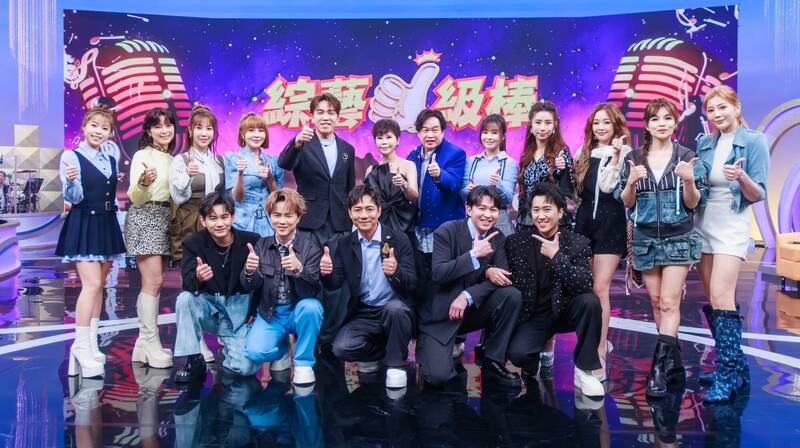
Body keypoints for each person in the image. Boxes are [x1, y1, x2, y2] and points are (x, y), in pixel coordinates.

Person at [616, 98, 708, 397]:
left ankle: (657, 370)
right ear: (646, 124)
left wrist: (689, 181)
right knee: (656, 303)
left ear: (675, 122)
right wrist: (631, 182)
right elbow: (627, 202)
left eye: (667, 118)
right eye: (655, 119)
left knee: (669, 303)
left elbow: (693, 203)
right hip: (645, 241)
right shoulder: (634, 158)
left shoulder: (686, 156)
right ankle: (675, 364)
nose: (662, 124)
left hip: (678, 238)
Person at [695, 85, 770, 402]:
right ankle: (735, 365)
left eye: (722, 107)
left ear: (736, 107)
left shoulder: (754, 141)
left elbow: (758, 193)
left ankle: (726, 376)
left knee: (721, 295)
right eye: (711, 110)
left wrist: (741, 177)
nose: (716, 115)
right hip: (703, 224)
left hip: (732, 225)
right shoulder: (704, 143)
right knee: (714, 300)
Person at [504, 182, 604, 398]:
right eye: (536, 210)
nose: (541, 216)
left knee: (590, 302)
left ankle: (585, 371)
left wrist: (557, 257)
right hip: (533, 316)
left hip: (565, 310)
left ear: (560, 212)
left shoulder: (577, 242)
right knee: (518, 354)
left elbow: (584, 283)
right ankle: (533, 361)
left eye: (547, 209)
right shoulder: (516, 243)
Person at [416, 186, 522, 387]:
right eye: (482, 208)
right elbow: (439, 273)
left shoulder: (497, 236)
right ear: (468, 209)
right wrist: (473, 256)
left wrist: (467, 295)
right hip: (443, 314)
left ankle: (493, 359)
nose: (487, 215)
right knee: (438, 378)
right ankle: (434, 346)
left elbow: (503, 276)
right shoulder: (447, 231)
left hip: (470, 310)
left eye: (493, 210)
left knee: (511, 295)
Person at [320, 184, 417, 391]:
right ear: (349, 213)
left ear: (379, 210)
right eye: (357, 209)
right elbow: (334, 283)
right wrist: (326, 273)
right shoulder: (344, 244)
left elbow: (413, 284)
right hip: (363, 312)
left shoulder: (399, 239)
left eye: (369, 209)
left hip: (393, 308)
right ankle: (381, 352)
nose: (364, 215)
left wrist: (396, 272)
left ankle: (396, 363)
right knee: (341, 348)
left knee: (396, 310)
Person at [278, 92, 356, 347]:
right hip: (310, 224)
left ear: (338, 117)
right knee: (307, 279)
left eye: (331, 113)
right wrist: (296, 143)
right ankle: (306, 337)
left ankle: (329, 339)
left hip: (339, 225)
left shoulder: (347, 149)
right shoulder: (303, 143)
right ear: (312, 116)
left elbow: (348, 189)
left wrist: (350, 220)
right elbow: (284, 162)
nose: (325, 117)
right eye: (320, 112)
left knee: (336, 283)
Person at [56, 104, 126, 377]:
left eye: (105, 128)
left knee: (101, 287)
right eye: (94, 125)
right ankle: (80, 346)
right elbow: (74, 198)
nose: (99, 131)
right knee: (92, 284)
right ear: (84, 127)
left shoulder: (110, 157)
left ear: (110, 133)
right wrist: (72, 182)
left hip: (106, 223)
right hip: (85, 221)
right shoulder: (71, 156)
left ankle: (91, 344)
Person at [173, 191, 261, 382]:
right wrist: (198, 277)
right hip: (209, 309)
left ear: (233, 217)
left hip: (238, 314)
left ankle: (231, 352)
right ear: (203, 221)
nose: (220, 223)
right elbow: (187, 283)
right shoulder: (193, 243)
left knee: (246, 368)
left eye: (224, 217)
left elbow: (261, 284)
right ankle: (193, 359)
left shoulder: (252, 241)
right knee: (185, 299)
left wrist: (253, 308)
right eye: (213, 218)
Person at [572, 102, 632, 380]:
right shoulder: (583, 152)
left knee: (600, 288)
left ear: (616, 125)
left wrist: (617, 156)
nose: (600, 127)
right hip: (584, 224)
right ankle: (591, 343)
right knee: (586, 287)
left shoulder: (626, 153)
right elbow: (576, 192)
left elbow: (610, 188)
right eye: (596, 122)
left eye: (606, 122)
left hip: (611, 223)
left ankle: (599, 351)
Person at [242, 188, 324, 386]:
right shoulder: (261, 245)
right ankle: (283, 347)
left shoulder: (311, 247)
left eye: (288, 215)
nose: (282, 221)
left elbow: (316, 287)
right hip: (271, 314)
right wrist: (249, 271)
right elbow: (250, 285)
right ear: (270, 216)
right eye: (277, 215)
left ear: (298, 217)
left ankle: (303, 363)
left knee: (312, 308)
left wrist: (299, 270)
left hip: (298, 311)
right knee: (254, 352)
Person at [516, 100, 575, 369]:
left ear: (555, 126)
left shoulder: (561, 153)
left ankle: (548, 344)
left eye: (547, 123)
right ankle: (530, 341)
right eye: (538, 122)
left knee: (550, 284)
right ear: (531, 125)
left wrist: (562, 171)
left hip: (551, 227)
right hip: (525, 225)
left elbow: (568, 193)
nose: (542, 127)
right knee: (529, 283)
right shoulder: (527, 154)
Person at [406, 109, 467, 355]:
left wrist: (440, 175)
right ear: (418, 132)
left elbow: (454, 185)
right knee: (424, 280)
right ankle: (426, 334)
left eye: (435, 130)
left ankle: (455, 338)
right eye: (425, 130)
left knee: (448, 280)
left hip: (445, 229)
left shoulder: (455, 153)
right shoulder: (412, 155)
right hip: (420, 228)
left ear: (443, 131)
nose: (430, 135)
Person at [125, 107, 178, 369]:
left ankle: (142, 344)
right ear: (148, 131)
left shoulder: (173, 159)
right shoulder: (142, 155)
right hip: (146, 216)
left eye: (168, 125)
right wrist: (145, 181)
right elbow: (134, 196)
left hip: (166, 219)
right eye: (158, 126)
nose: (164, 130)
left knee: (156, 282)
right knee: (153, 281)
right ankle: (149, 340)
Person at [170, 105, 225, 262]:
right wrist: (188, 175)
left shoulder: (218, 160)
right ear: (190, 130)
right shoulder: (181, 160)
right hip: (190, 223)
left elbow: (223, 195)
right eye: (199, 128)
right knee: (191, 269)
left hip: (214, 223)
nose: (204, 133)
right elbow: (177, 197)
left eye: (209, 128)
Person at [225, 112, 283, 236]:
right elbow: (236, 197)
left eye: (261, 131)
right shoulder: (233, 158)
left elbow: (279, 198)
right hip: (243, 224)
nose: (257, 135)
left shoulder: (273, 161)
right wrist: (240, 174)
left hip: (270, 224)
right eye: (251, 130)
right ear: (242, 134)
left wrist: (270, 179)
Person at [461, 114, 519, 236]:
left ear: (503, 137)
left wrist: (498, 185)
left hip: (499, 219)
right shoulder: (471, 161)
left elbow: (508, 199)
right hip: (475, 219)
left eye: (494, 133)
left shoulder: (509, 163)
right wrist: (469, 190)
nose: (489, 137)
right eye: (485, 132)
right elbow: (462, 194)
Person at [364, 118, 419, 236]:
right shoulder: (370, 170)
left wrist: (404, 184)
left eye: (388, 137)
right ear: (375, 141)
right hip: (378, 223)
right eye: (379, 138)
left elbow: (414, 196)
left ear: (397, 140)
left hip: (404, 222)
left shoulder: (408, 165)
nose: (384, 142)